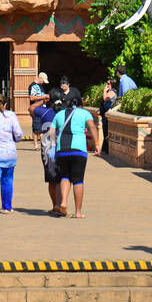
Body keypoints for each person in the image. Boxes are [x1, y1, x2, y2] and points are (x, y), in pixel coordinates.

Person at [51, 87, 100, 218]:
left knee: (65, 177)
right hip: (79, 150)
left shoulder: (59, 114)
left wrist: (55, 144)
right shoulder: (84, 113)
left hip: (62, 150)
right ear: (80, 103)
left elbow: (51, 134)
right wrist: (97, 144)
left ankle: (63, 202)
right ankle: (78, 212)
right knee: (78, 180)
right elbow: (92, 127)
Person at [99, 79, 117, 156]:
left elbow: (105, 99)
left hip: (107, 115)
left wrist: (104, 90)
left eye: (108, 83)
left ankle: (106, 149)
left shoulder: (112, 92)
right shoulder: (109, 91)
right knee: (104, 131)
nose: (106, 85)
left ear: (112, 85)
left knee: (106, 131)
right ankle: (104, 148)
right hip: (104, 114)